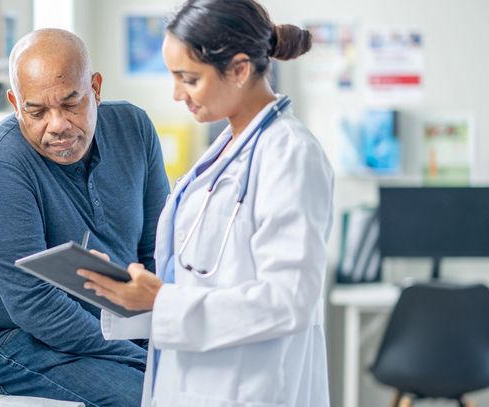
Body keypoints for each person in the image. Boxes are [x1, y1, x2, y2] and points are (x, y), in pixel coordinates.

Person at [77, 1, 334, 406]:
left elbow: (289, 301)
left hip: (252, 388)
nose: (177, 94)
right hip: (196, 380)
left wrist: (161, 301)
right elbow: (199, 281)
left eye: (189, 79)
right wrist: (133, 296)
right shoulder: (225, 149)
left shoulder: (290, 154)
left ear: (239, 69)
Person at [0, 28, 170, 407]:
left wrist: (164, 337)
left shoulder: (134, 129)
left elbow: (158, 252)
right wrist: (142, 360)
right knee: (153, 397)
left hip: (118, 325)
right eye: (36, 111)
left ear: (96, 89)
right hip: (14, 340)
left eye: (71, 104)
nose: (56, 125)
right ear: (15, 104)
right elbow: (33, 302)